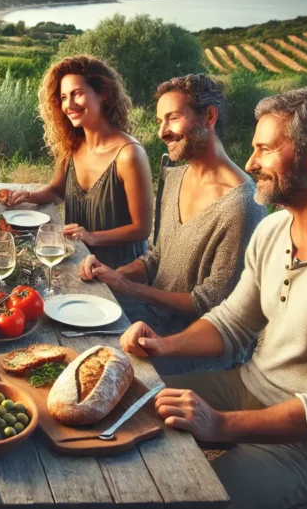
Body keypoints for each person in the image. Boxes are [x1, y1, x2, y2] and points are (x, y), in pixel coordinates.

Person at [119, 88, 307, 509]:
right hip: (249, 386)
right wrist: (163, 344)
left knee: (184, 498)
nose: (250, 164)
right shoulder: (275, 228)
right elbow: (233, 322)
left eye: (264, 149)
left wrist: (219, 425)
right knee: (125, 405)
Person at [80, 74, 265, 338]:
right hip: (146, 317)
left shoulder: (243, 205)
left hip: (189, 342)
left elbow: (210, 304)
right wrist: (113, 275)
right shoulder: (174, 177)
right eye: (160, 121)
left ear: (209, 117)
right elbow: (156, 258)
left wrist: (129, 288)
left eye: (173, 118)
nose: (162, 131)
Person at [0, 55, 153, 269]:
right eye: (63, 97)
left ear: (103, 93)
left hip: (120, 273)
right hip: (76, 260)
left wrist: (91, 236)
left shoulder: (129, 154)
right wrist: (28, 195)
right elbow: (57, 191)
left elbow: (141, 228)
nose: (69, 105)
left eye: (77, 94)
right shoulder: (71, 145)